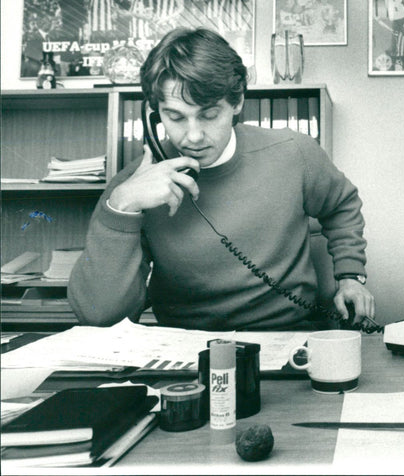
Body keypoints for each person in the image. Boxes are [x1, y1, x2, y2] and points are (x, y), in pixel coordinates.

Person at [68, 27, 375, 331]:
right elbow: (98, 319)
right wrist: (121, 205)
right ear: (154, 113)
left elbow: (342, 205)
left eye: (209, 114)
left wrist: (350, 276)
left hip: (286, 333)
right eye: (175, 117)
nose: (193, 136)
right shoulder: (131, 189)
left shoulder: (295, 154)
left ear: (237, 102)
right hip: (183, 347)